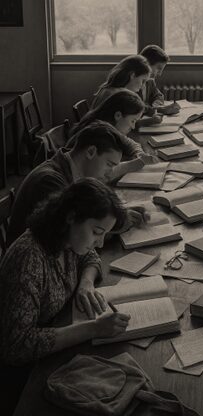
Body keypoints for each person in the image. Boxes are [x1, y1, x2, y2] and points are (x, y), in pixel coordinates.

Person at [0, 179, 130, 411]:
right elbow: (17, 347)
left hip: (57, 341)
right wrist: (94, 328)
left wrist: (86, 284)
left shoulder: (67, 240)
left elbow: (90, 258)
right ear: (71, 216)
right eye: (96, 232)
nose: (100, 243)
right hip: (24, 379)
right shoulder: (28, 260)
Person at [7, 121, 147, 246]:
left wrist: (117, 213)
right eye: (109, 164)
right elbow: (72, 235)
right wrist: (120, 222)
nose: (110, 173)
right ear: (91, 152)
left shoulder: (71, 170)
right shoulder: (50, 182)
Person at [71, 89, 158, 177]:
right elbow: (96, 176)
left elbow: (129, 142)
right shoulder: (98, 132)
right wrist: (134, 164)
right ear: (118, 116)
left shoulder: (109, 129)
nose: (133, 127)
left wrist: (139, 153)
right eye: (133, 121)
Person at [91, 54, 161, 126]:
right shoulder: (116, 95)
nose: (143, 86)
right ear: (132, 75)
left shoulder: (109, 89)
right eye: (143, 81)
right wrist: (150, 121)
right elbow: (121, 125)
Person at [139, 44, 180, 116]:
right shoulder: (133, 82)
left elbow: (158, 95)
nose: (160, 74)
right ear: (146, 64)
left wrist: (157, 104)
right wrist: (160, 110)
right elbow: (135, 107)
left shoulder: (150, 81)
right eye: (158, 68)